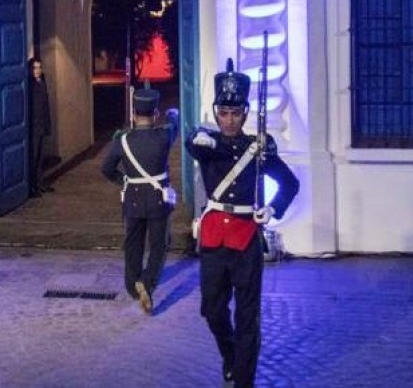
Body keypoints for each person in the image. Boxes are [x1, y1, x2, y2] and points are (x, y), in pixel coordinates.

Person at [185, 61, 299, 387]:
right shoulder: (208, 145)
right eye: (224, 112)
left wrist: (273, 208)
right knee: (212, 310)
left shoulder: (258, 148)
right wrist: (199, 137)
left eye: (236, 113)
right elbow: (192, 142)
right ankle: (230, 354)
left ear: (245, 113)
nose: (230, 119)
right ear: (216, 112)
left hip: (246, 238)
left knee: (248, 318)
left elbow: (290, 183)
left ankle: (243, 381)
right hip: (214, 240)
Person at [101, 87, 179, 314]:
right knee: (158, 244)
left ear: (134, 115)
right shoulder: (164, 136)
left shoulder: (122, 140)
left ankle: (132, 285)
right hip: (157, 199)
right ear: (155, 114)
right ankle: (147, 282)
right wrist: (172, 113)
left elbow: (106, 169)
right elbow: (174, 122)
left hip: (133, 198)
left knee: (133, 243)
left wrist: (124, 180)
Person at [28, 57, 54, 197]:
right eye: (35, 68)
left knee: (40, 157)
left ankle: (39, 183)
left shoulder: (42, 81)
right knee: (33, 157)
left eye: (39, 67)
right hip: (34, 126)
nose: (38, 70)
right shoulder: (30, 85)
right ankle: (32, 186)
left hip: (42, 124)